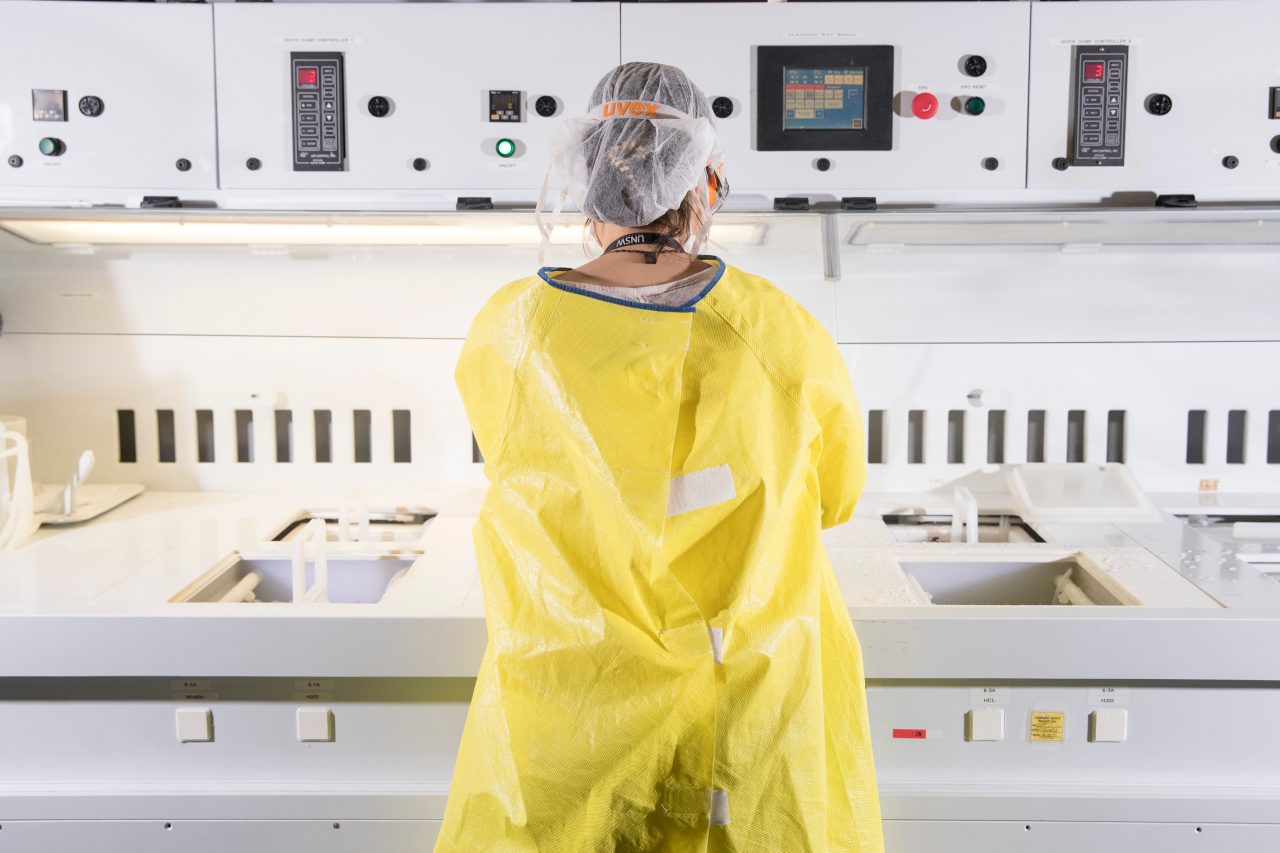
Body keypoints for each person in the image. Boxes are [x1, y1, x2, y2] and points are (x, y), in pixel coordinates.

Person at [437, 62, 883, 853]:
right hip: (737, 717)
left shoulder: (511, 332)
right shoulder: (779, 331)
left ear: (585, 180)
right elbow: (836, 496)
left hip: (569, 716)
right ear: (706, 181)